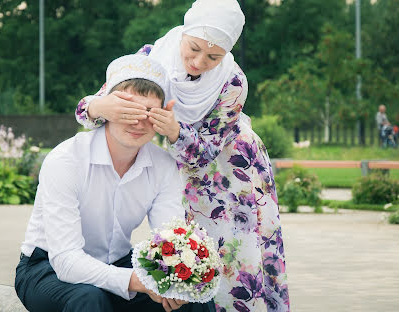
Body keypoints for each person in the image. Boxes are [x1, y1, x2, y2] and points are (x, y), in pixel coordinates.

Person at [74, 1, 290, 311]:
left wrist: (176, 133)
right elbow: (88, 111)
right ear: (184, 33)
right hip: (174, 169)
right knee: (184, 253)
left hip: (232, 171)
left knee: (235, 254)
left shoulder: (233, 82)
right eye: (193, 49)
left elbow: (207, 153)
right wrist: (98, 106)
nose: (200, 61)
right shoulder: (150, 59)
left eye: (214, 56)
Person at [15, 54, 215, 312]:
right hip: (47, 268)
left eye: (149, 113)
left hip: (118, 263)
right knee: (88, 299)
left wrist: (174, 280)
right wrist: (139, 281)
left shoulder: (163, 166)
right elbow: (65, 260)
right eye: (127, 111)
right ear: (108, 110)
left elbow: (170, 236)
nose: (138, 122)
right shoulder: (66, 160)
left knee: (193, 301)